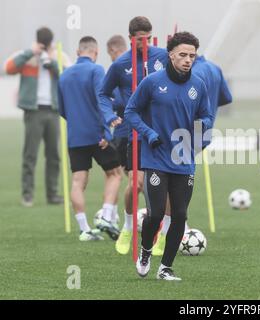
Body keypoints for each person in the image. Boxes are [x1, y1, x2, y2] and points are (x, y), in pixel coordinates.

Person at [126, 31, 213, 280]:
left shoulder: (199, 85)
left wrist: (202, 125)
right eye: (183, 55)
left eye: (192, 56)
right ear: (171, 55)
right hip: (156, 156)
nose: (188, 60)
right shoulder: (152, 82)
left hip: (184, 159)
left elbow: (207, 115)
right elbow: (131, 111)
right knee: (154, 215)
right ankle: (145, 251)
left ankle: (165, 268)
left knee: (180, 215)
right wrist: (149, 133)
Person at [99, 17, 168, 255]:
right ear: (131, 38)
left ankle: (163, 234)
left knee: (164, 187)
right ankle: (127, 228)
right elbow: (103, 94)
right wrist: (109, 116)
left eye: (148, 38)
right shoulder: (121, 64)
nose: (145, 43)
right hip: (135, 132)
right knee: (136, 184)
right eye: (141, 39)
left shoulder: (163, 56)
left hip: (162, 131)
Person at [151, 54, 233, 256]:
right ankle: (177, 224)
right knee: (178, 177)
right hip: (205, 132)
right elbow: (227, 98)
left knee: (172, 178)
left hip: (185, 132)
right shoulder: (215, 68)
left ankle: (174, 226)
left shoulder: (192, 73)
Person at [58, 36, 122, 241]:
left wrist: (77, 123)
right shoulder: (97, 70)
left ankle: (84, 229)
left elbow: (62, 109)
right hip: (97, 134)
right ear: (95, 53)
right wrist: (105, 131)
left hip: (75, 135)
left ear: (78, 52)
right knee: (115, 173)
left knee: (78, 181)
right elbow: (101, 99)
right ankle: (105, 215)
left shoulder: (64, 75)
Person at [4, 27, 66, 207]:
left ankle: (52, 194)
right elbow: (9, 68)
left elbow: (67, 75)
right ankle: (27, 195)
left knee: (54, 155)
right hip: (33, 110)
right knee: (30, 155)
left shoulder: (58, 55)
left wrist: (51, 61)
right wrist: (31, 52)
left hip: (53, 110)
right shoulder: (27, 55)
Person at [106, 35, 129, 226]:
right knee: (119, 175)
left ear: (114, 50)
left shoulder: (120, 68)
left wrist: (112, 103)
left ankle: (111, 217)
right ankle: (111, 216)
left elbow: (121, 101)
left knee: (116, 175)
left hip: (124, 134)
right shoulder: (132, 65)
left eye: (110, 54)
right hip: (124, 134)